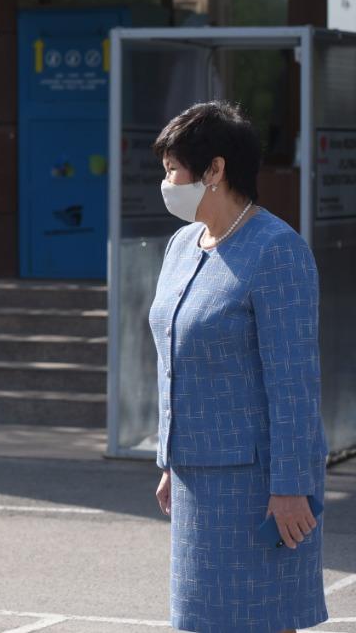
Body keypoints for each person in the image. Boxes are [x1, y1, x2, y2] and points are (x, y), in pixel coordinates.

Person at [150, 101, 328, 633]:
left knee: (259, 619)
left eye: (172, 170)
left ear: (215, 169)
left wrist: (292, 485)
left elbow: (294, 382)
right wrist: (169, 457)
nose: (166, 183)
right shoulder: (183, 244)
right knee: (201, 620)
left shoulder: (277, 250)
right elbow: (175, 356)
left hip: (257, 486)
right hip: (195, 475)